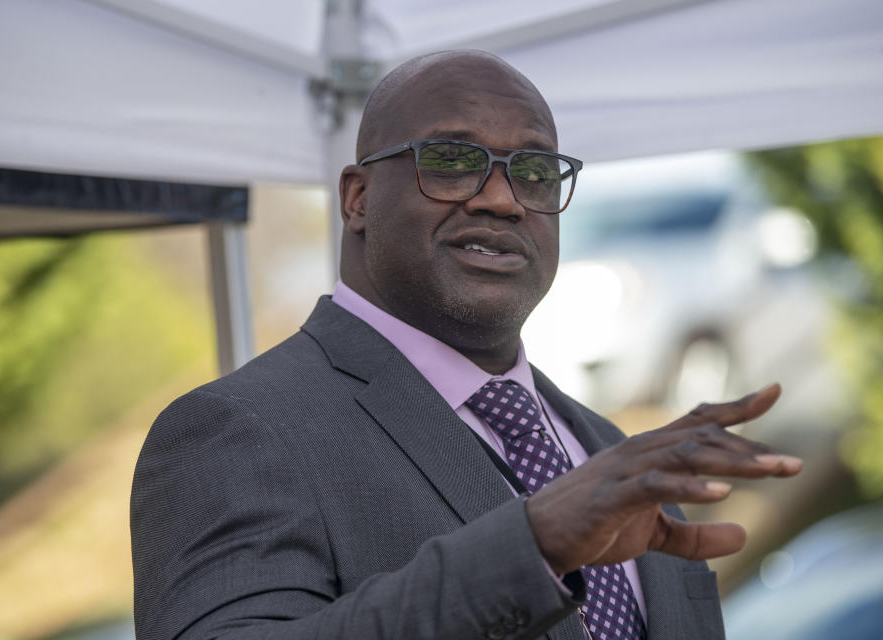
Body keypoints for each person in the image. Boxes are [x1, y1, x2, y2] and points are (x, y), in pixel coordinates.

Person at [130, 50, 802, 640]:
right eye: (453, 161)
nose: (504, 200)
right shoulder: (238, 430)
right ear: (358, 198)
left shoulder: (610, 454)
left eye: (535, 171)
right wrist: (532, 545)